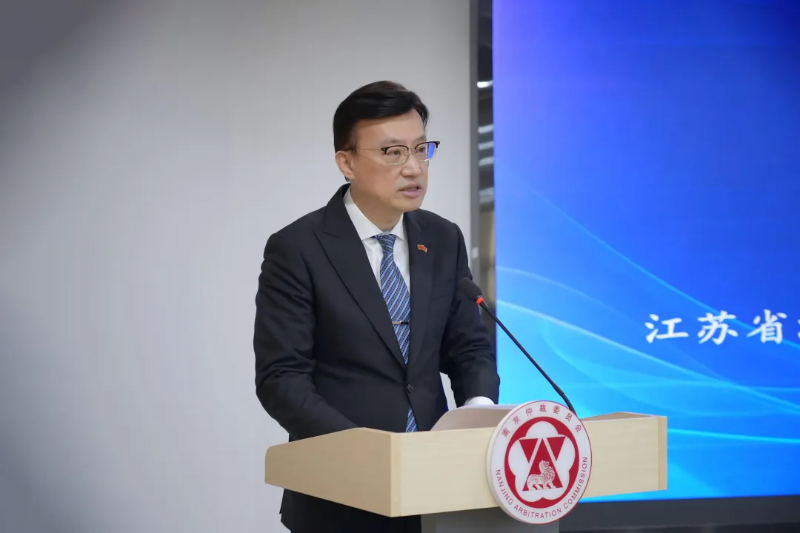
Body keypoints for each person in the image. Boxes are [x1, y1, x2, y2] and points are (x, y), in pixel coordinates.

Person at [253, 81, 500, 533]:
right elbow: (282, 379)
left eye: (422, 149)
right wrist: (364, 452)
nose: (414, 167)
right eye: (392, 152)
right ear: (346, 162)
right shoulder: (298, 248)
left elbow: (469, 348)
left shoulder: (442, 238)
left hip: (437, 488)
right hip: (340, 492)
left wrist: (479, 411)